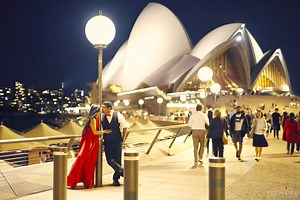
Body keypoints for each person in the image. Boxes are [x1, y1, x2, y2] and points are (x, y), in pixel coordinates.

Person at [67, 104, 111, 189]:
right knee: (82, 159)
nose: (101, 112)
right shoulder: (93, 120)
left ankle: (88, 182)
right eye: (100, 111)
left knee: (90, 163)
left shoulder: (98, 119)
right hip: (89, 143)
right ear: (96, 112)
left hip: (93, 143)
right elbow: (94, 132)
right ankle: (73, 180)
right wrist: (104, 131)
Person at [101, 101, 129, 186]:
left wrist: (123, 139)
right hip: (107, 142)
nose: (102, 109)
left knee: (118, 160)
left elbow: (125, 127)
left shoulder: (118, 115)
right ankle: (123, 172)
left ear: (109, 108)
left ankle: (115, 180)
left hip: (117, 141)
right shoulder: (101, 117)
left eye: (104, 107)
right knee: (109, 160)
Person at [188, 104, 209, 168]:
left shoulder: (192, 115)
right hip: (202, 131)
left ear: (196, 108)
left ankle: (196, 161)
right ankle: (200, 158)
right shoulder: (204, 115)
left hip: (194, 131)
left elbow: (189, 125)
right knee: (202, 145)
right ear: (201, 108)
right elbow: (208, 123)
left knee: (195, 147)